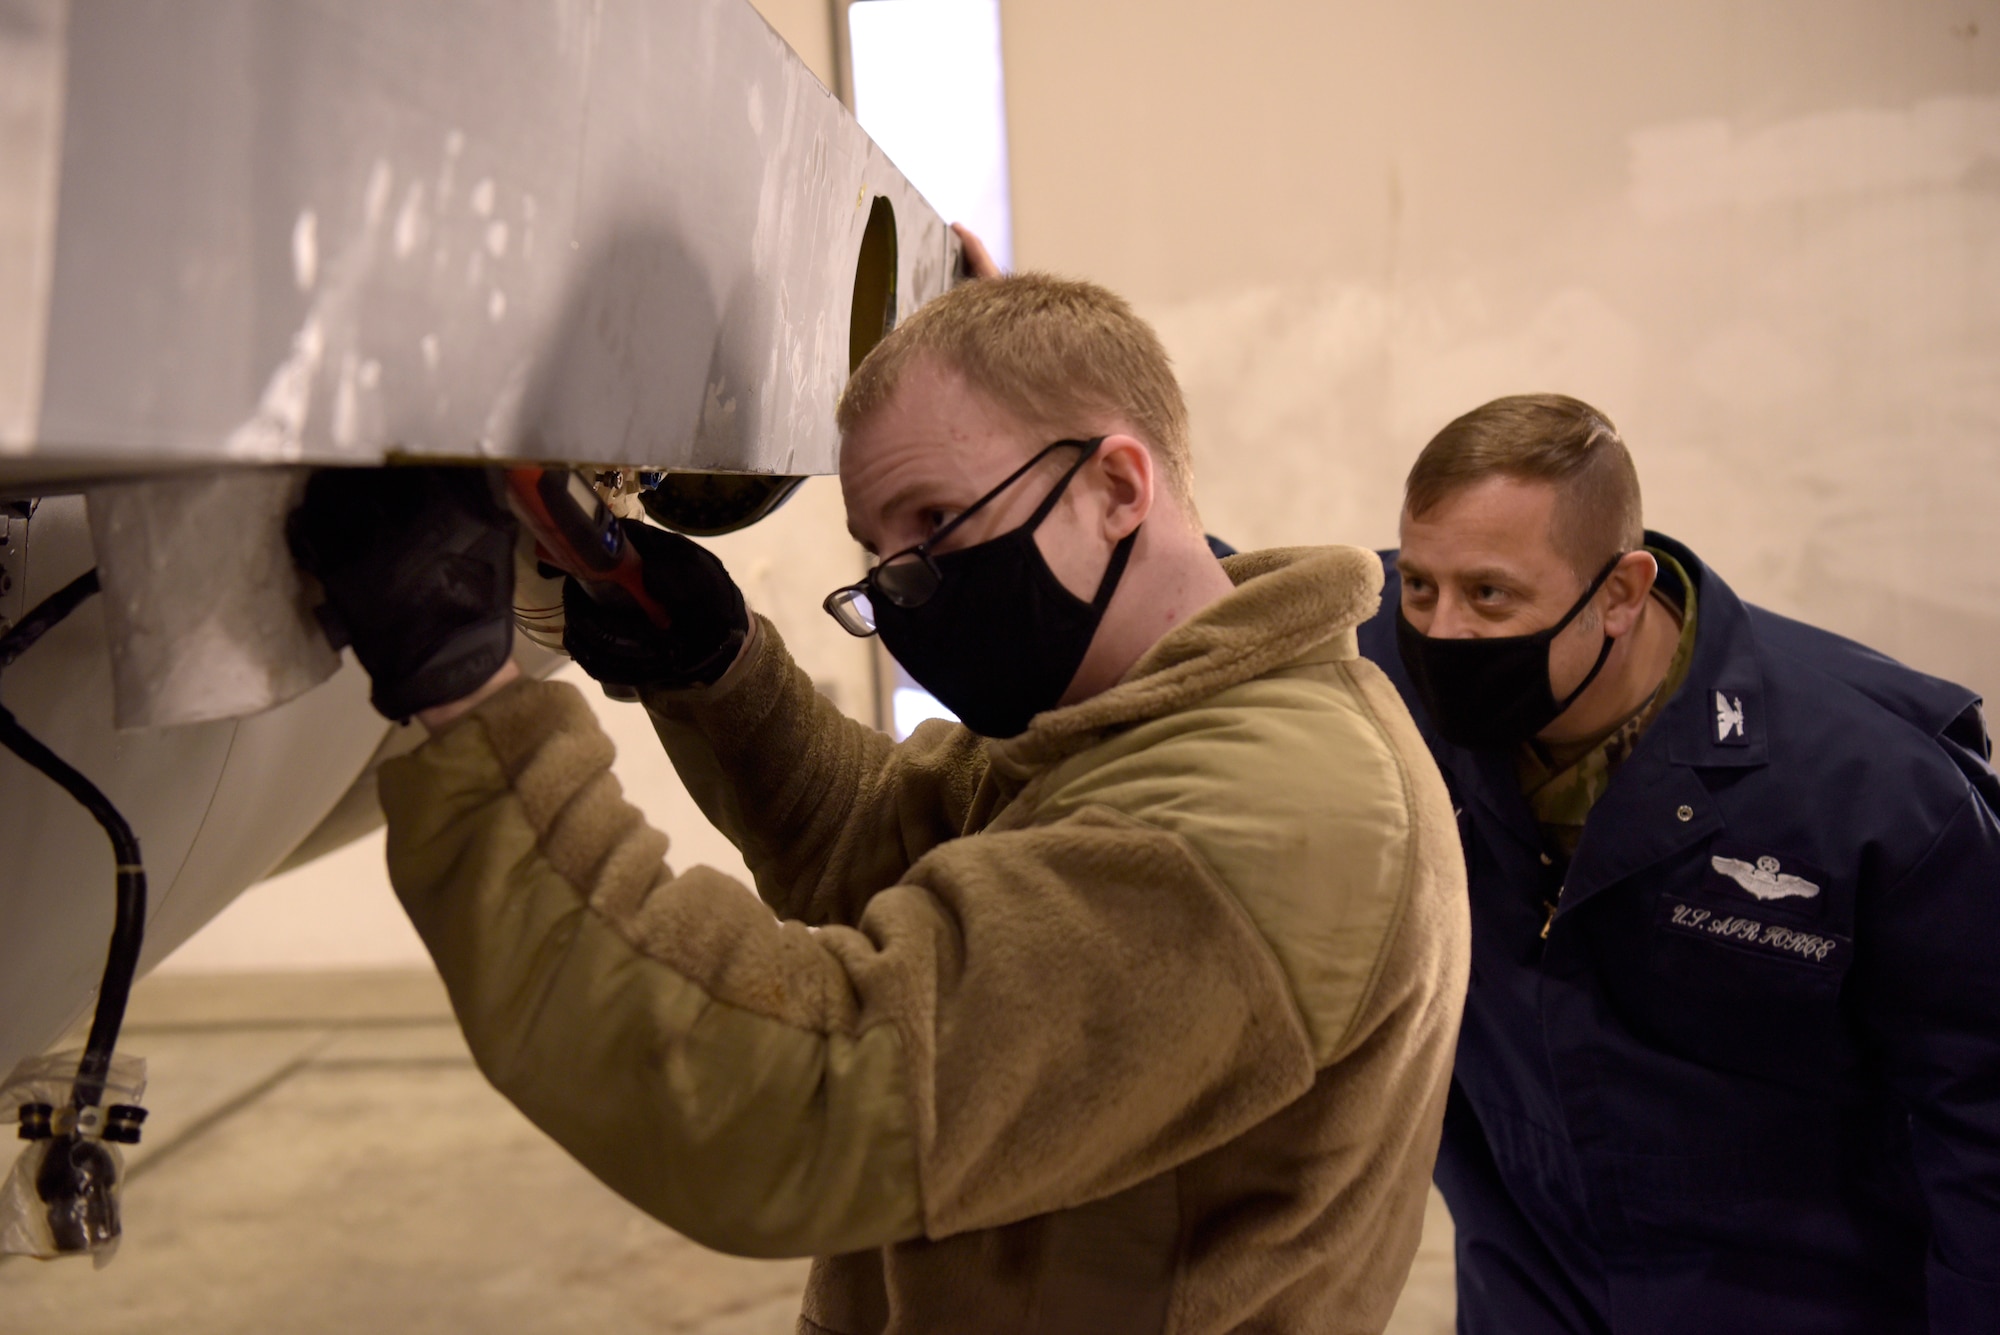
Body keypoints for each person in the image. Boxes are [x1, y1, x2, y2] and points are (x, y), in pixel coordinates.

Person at [290, 274, 1471, 1332]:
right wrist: (716, 671)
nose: (905, 593)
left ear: (1117, 484)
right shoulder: (1181, 717)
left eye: (934, 530)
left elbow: (796, 1102)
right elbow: (903, 846)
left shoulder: (1260, 825)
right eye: (879, 556)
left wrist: (472, 707)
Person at [1352, 393, 2000, 1334]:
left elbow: (1985, 1119)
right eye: (1420, 586)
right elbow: (1184, 592)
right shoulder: (1380, 666)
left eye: (1490, 594)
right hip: (1532, 1288)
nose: (1443, 631)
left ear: (1620, 592)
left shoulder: (1875, 793)